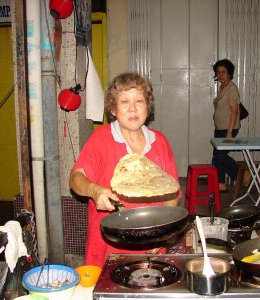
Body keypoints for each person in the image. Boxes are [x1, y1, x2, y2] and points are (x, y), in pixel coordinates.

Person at [69, 72, 180, 267]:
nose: (133, 108)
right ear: (113, 108)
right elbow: (76, 178)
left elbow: (172, 194)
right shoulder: (100, 140)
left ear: (148, 106)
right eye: (124, 101)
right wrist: (94, 190)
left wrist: (161, 235)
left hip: (151, 247)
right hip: (109, 250)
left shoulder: (160, 142)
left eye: (139, 100)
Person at [212, 59, 240, 192]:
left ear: (229, 74)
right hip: (220, 127)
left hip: (229, 128)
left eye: (224, 72)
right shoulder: (222, 88)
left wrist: (229, 133)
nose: (220, 74)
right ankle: (221, 184)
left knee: (220, 156)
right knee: (217, 157)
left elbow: (234, 111)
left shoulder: (232, 89)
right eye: (218, 72)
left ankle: (241, 173)